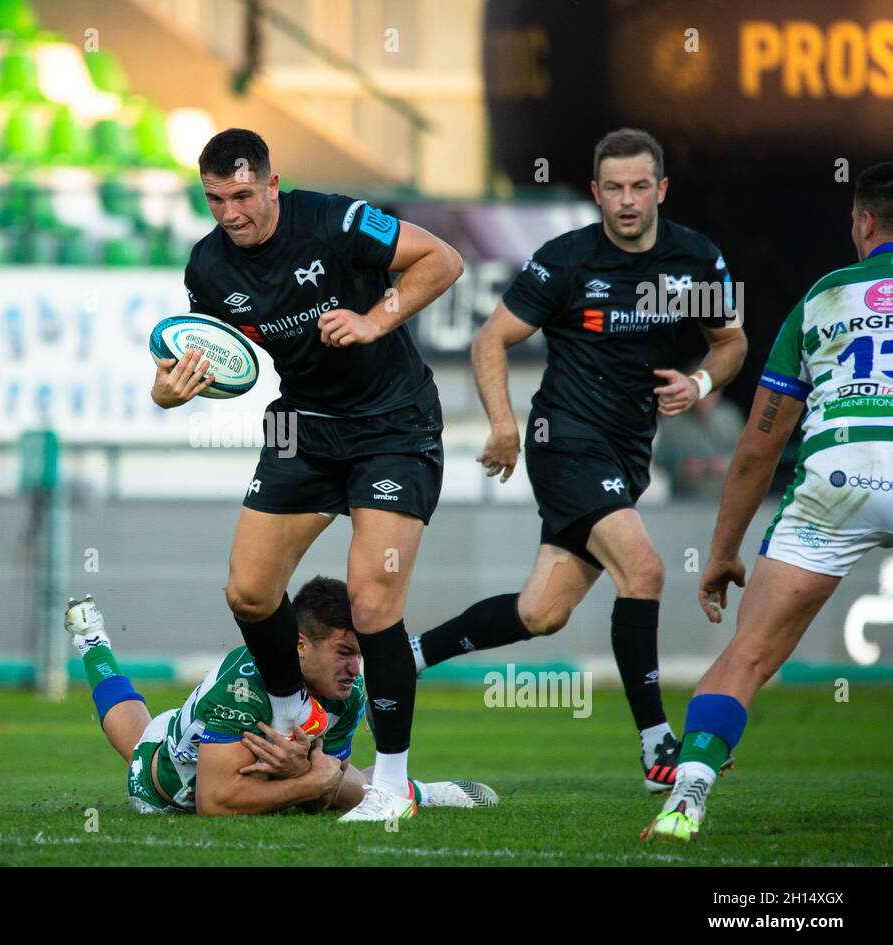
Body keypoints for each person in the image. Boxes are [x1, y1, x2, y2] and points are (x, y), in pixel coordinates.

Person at [408, 128, 747, 790]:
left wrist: (700, 382)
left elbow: (730, 341)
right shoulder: (565, 261)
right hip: (562, 438)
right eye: (614, 188)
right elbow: (490, 340)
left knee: (542, 612)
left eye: (640, 187)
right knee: (644, 570)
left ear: (661, 190)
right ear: (596, 192)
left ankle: (410, 655)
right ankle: (657, 750)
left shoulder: (693, 258)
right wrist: (504, 426)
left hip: (626, 453)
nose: (627, 201)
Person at [151, 128, 464, 821]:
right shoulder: (208, 268)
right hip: (305, 429)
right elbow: (210, 359)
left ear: (271, 185)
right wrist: (169, 391)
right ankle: (299, 718)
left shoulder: (336, 219)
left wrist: (374, 319)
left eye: (241, 196)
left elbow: (442, 261)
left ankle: (389, 789)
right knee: (249, 591)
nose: (230, 214)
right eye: (214, 200)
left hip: (394, 426)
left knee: (374, 601)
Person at [643, 161, 893, 842]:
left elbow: (758, 445)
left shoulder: (822, 298)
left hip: (837, 479)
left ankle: (684, 802)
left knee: (747, 656)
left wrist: (723, 552)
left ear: (863, 222)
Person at [65, 577, 498, 816]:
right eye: (344, 653)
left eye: (360, 654)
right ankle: (91, 640)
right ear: (300, 646)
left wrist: (311, 772)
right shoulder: (243, 686)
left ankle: (410, 790)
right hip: (167, 783)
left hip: (226, 751)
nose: (355, 667)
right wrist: (308, 776)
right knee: (134, 734)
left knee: (345, 785)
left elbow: (325, 794)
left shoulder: (349, 691)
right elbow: (214, 803)